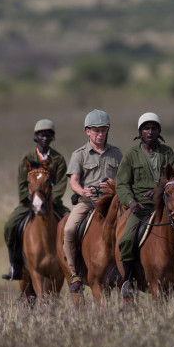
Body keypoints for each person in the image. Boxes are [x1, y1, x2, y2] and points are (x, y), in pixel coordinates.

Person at [116, 112, 174, 297]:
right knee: (127, 239)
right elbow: (121, 183)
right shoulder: (130, 155)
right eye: (146, 128)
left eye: (153, 128)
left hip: (170, 206)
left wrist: (160, 189)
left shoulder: (167, 152)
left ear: (159, 131)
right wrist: (131, 201)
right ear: (140, 132)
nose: (150, 132)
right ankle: (128, 280)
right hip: (142, 208)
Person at [2, 119, 70, 281]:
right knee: (10, 225)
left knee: (71, 226)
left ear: (52, 138)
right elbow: (21, 182)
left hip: (53, 204)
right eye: (41, 135)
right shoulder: (27, 158)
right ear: (36, 137)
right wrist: (31, 199)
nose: (45, 138)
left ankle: (71, 267)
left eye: (48, 135)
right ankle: (15, 265)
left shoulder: (58, 159)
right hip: (29, 203)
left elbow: (61, 183)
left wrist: (51, 200)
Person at [63, 109, 123, 293]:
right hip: (87, 202)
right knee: (69, 229)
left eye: (103, 130)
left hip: (112, 202)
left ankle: (131, 273)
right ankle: (75, 273)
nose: (100, 134)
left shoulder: (116, 153)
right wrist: (82, 190)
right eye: (96, 130)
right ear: (88, 131)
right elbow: (73, 180)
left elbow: (123, 179)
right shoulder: (79, 154)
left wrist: (114, 184)